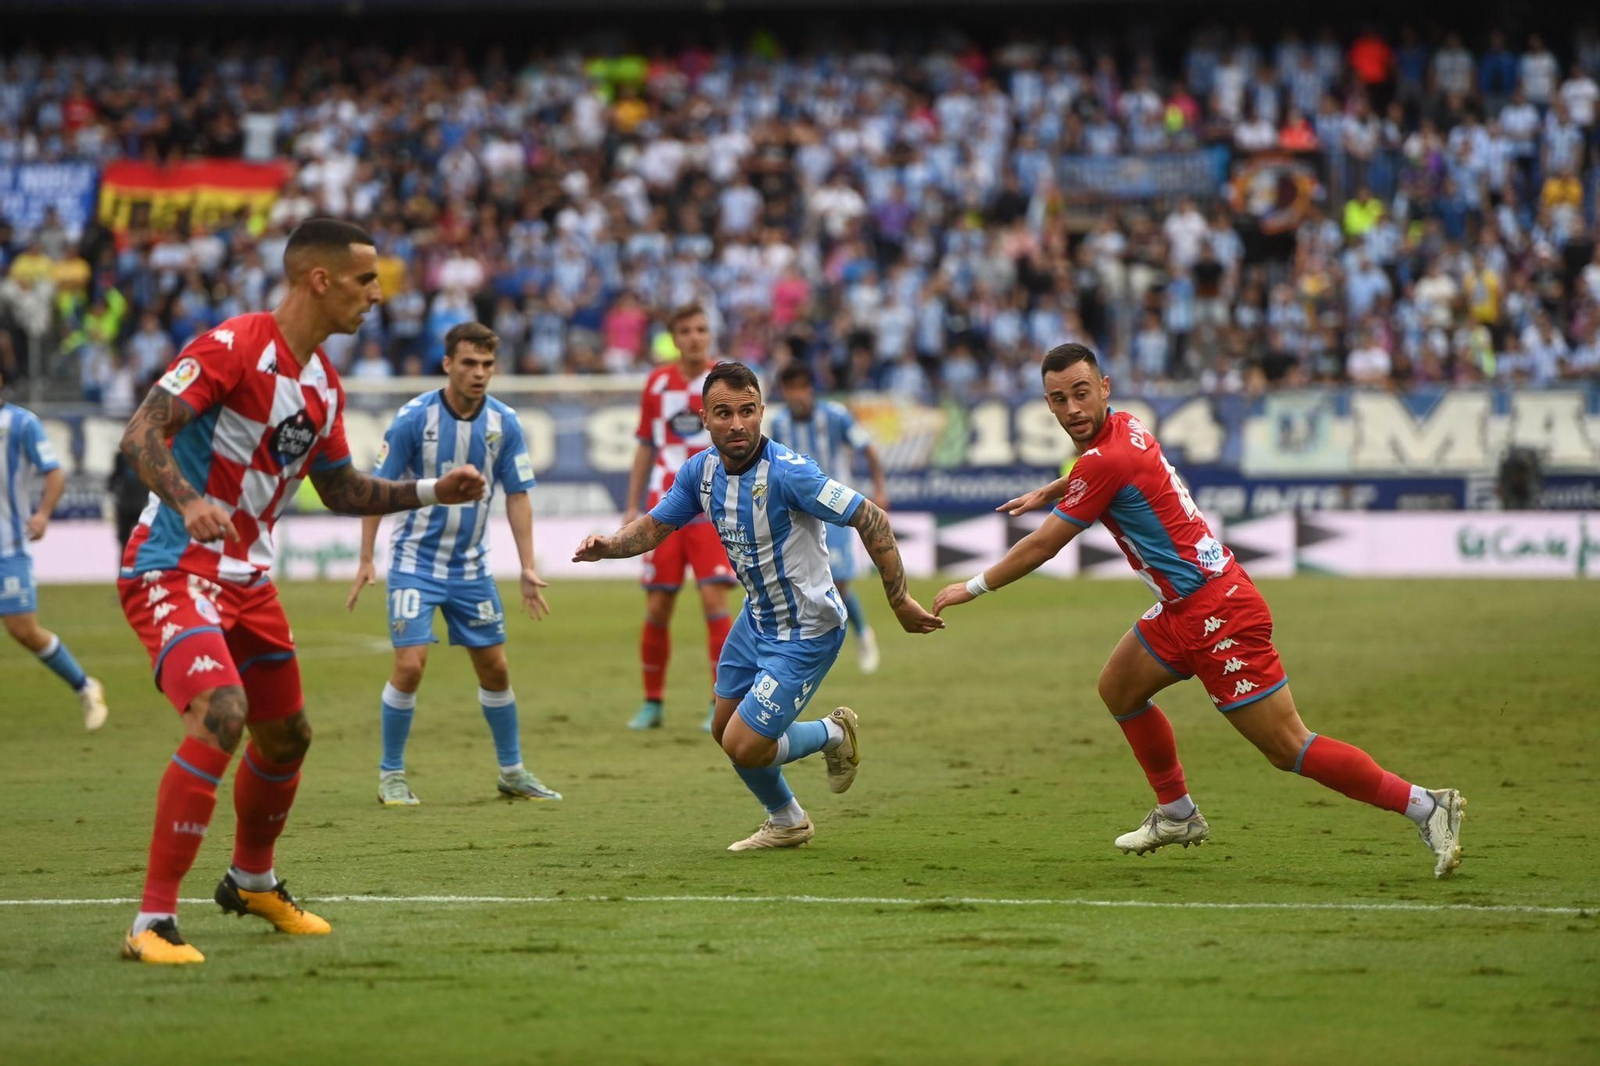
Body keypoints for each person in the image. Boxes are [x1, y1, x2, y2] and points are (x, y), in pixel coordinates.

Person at [932, 343, 1465, 879]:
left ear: (1104, 387)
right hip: (1181, 607)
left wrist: (973, 587)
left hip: (1219, 611)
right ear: (1046, 404)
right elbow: (1100, 472)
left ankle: (1425, 805)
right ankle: (1177, 814)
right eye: (1058, 398)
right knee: (1118, 687)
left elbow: (1043, 546)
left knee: (1287, 746)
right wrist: (1054, 487)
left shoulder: (1104, 459)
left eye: (1080, 393)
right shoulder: (1126, 428)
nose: (1071, 407)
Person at [115, 218, 487, 965]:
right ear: (319, 280)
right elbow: (141, 434)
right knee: (223, 713)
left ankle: (251, 880)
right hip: (173, 564)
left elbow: (341, 489)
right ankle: (152, 922)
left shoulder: (323, 384)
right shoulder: (234, 347)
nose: (377, 297)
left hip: (249, 582)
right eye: (363, 281)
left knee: (288, 737)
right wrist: (189, 501)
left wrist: (430, 491)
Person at [573, 361, 943, 850]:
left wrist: (899, 601)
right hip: (756, 621)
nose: (737, 424)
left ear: (762, 411)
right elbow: (653, 528)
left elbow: (871, 517)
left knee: (744, 746)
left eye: (747, 411)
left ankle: (834, 732)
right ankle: (788, 820)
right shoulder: (700, 472)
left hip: (807, 628)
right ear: (704, 418)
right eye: (723, 413)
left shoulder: (791, 474)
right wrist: (609, 546)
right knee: (724, 731)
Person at [346, 322, 558, 805]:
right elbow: (377, 490)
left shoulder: (504, 424)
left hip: (471, 569)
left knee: (496, 669)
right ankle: (391, 775)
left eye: (486, 364)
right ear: (447, 364)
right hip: (413, 563)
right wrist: (365, 558)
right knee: (411, 665)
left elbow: (518, 496)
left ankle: (512, 771)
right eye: (469, 363)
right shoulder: (412, 419)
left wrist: (527, 566)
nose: (479, 373)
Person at [621, 304, 738, 732]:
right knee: (658, 605)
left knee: (715, 601)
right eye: (685, 330)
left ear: (710, 334)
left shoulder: (723, 383)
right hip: (664, 508)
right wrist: (633, 505)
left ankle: (717, 702)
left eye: (701, 329)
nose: (694, 337)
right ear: (674, 337)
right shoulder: (656, 384)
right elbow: (644, 445)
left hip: (714, 508)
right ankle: (652, 703)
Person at [0, 370, 109, 729]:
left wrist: (44, 514)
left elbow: (55, 472)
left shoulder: (20, 423)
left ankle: (84, 685)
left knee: (23, 630)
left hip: (8, 547)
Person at [767, 363, 888, 673]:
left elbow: (868, 449)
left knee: (839, 583)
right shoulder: (779, 425)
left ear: (810, 389)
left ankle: (862, 634)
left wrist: (879, 489)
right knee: (796, 583)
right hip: (797, 514)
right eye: (790, 388)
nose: (797, 394)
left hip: (835, 510)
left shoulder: (835, 416)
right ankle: (801, 649)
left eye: (802, 387)